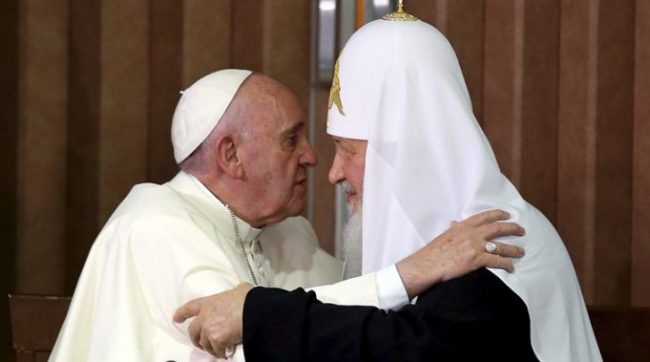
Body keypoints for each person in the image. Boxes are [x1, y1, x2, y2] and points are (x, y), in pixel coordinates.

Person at [174, 6, 602, 362]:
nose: (334, 172)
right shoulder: (453, 243)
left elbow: (401, 347)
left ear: (403, 154)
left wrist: (256, 314)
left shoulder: (496, 243)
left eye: (350, 150)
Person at [50, 68, 524, 361]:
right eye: (290, 139)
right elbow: (246, 339)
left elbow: (338, 324)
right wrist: (417, 269)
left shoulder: (285, 230)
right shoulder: (156, 227)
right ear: (231, 155)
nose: (313, 158)